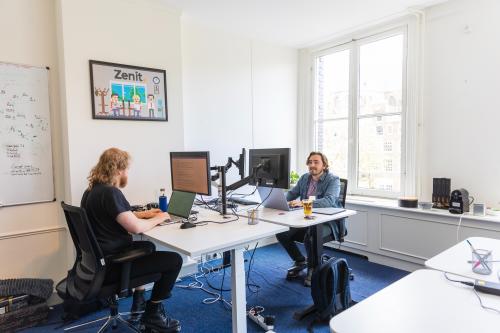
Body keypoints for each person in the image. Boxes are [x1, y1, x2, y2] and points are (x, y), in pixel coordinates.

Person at [81, 148, 182, 332]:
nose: (127, 173)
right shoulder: (111, 192)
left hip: (98, 263)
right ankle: (153, 315)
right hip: (113, 266)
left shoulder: (92, 191)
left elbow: (115, 215)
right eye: (127, 169)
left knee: (148, 246)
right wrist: (161, 217)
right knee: (174, 261)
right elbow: (135, 228)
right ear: (119, 169)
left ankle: (139, 299)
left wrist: (145, 214)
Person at [276, 151, 342, 287]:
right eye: (310, 162)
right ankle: (300, 260)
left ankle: (313, 268)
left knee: (311, 237)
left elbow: (329, 201)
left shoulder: (333, 180)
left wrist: (303, 202)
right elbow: (292, 194)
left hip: (328, 222)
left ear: (324, 165)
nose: (312, 165)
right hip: (306, 219)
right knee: (282, 232)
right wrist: (278, 200)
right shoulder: (305, 178)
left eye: (316, 162)